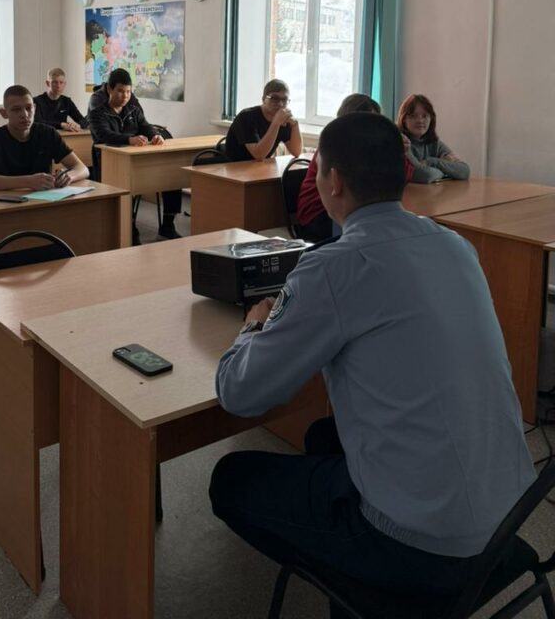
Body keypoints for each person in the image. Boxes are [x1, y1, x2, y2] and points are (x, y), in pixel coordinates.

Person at [209, 112, 534, 596]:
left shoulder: (333, 268)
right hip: (509, 519)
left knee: (230, 478)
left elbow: (239, 393)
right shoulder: (456, 246)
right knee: (322, 435)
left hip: (422, 547)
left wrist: (255, 325)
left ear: (334, 181)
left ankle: (358, 586)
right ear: (404, 172)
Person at [295, 93, 414, 243]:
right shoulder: (335, 147)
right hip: (320, 212)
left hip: (351, 207)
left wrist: (401, 154)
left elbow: (397, 179)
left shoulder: (371, 148)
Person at [88, 68, 181, 243]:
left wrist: (155, 135)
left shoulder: (133, 110)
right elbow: (104, 135)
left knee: (172, 176)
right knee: (125, 186)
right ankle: (129, 228)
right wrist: (129, 139)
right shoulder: (97, 113)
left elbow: (146, 126)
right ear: (110, 89)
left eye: (128, 92)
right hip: (110, 163)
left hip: (135, 160)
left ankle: (168, 224)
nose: (125, 96)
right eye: (120, 91)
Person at [0, 85, 89, 191]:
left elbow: (82, 169)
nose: (25, 114)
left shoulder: (47, 133)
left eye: (29, 108)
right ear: (4, 113)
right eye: (16, 109)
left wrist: (68, 176)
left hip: (43, 199)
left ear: (34, 108)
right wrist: (28, 181)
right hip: (5, 200)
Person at [397, 93, 470, 183]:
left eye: (425, 116)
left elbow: (464, 171)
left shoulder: (434, 143)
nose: (420, 120)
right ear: (403, 119)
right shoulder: (401, 141)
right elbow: (424, 176)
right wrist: (445, 170)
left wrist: (431, 162)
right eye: (413, 116)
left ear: (431, 119)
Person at [225, 79, 303, 163]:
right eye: (274, 98)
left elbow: (296, 152)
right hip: (233, 166)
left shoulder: (283, 119)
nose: (280, 104)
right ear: (263, 99)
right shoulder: (246, 117)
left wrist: (295, 125)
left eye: (284, 99)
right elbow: (258, 155)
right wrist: (276, 123)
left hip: (260, 167)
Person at [33, 68, 87, 132]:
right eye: (55, 82)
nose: (58, 86)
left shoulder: (67, 101)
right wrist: (61, 125)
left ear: (65, 84)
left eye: (61, 82)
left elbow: (82, 120)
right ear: (48, 83)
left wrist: (77, 125)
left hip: (62, 137)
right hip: (43, 135)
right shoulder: (36, 101)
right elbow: (37, 122)